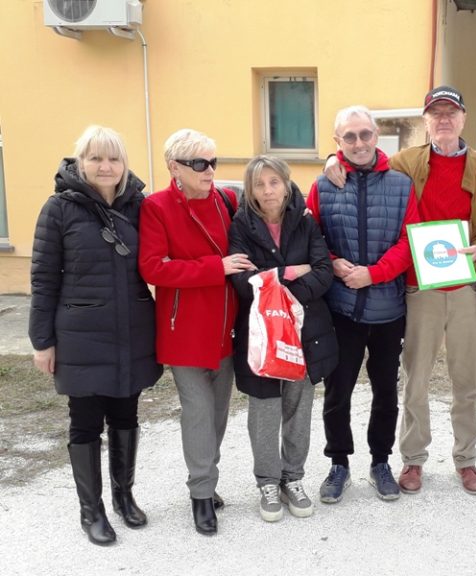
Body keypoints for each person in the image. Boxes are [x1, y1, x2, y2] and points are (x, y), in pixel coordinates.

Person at [325, 86, 476, 495]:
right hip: (419, 287)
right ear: (426, 121)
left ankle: (467, 459)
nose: (443, 119)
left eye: (450, 112)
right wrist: (333, 158)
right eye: (435, 113)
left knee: (466, 382)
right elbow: (365, 161)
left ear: (462, 119)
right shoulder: (406, 162)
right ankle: (413, 460)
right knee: (416, 378)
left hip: (466, 287)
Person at [29, 125, 163, 546]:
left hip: (133, 330)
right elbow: (43, 278)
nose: (106, 166)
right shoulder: (59, 209)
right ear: (81, 162)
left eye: (113, 158)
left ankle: (124, 496)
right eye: (96, 158)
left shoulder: (141, 206)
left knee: (126, 415)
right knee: (85, 424)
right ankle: (92, 509)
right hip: (80, 335)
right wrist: (41, 341)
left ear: (124, 164)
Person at [139, 129, 250, 536]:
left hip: (226, 327)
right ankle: (201, 494)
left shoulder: (226, 200)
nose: (210, 170)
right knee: (199, 413)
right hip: (183, 330)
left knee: (218, 412)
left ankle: (208, 479)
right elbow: (153, 267)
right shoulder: (157, 207)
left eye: (213, 161)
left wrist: (330, 161)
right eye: (200, 163)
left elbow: (275, 190)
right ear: (175, 167)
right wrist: (214, 267)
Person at [308, 105, 420, 504]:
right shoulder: (323, 185)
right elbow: (311, 236)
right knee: (338, 390)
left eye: (365, 134)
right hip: (341, 310)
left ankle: (380, 462)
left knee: (385, 391)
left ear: (377, 136)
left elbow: (411, 242)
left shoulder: (402, 185)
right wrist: (333, 263)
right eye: (349, 137)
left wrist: (375, 273)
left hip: (388, 309)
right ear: (337, 142)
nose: (359, 143)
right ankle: (338, 463)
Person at [228, 155, 337, 522]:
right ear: (251, 190)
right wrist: (290, 271)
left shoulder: (305, 222)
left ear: (287, 183)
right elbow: (242, 281)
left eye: (274, 182)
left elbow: (323, 273)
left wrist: (280, 288)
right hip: (261, 334)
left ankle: (293, 477)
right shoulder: (241, 225)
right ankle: (268, 482)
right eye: (259, 184)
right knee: (264, 410)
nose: (268, 190)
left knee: (297, 406)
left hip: (303, 332)